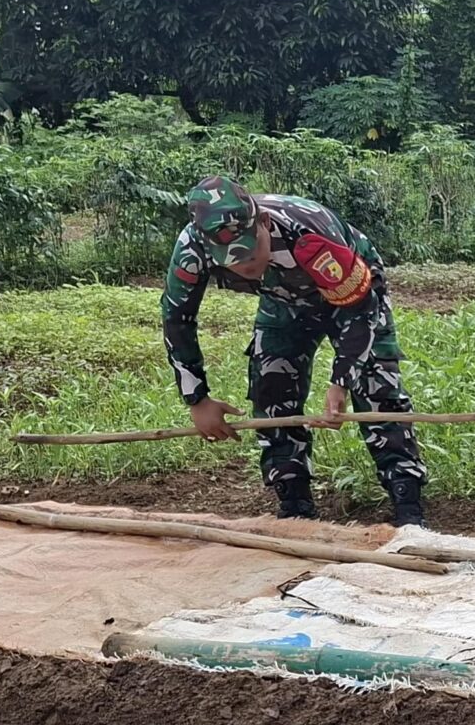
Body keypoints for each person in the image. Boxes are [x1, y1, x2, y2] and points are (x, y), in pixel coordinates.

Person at [161, 175, 428, 526]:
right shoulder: (192, 248)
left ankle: (407, 503)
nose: (243, 264)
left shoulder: (309, 233)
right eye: (230, 259)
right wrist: (196, 399)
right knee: (271, 386)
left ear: (264, 223)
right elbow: (177, 319)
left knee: (376, 383)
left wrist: (341, 381)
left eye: (249, 250)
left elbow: (360, 310)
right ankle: (294, 505)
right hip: (283, 300)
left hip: (352, 290)